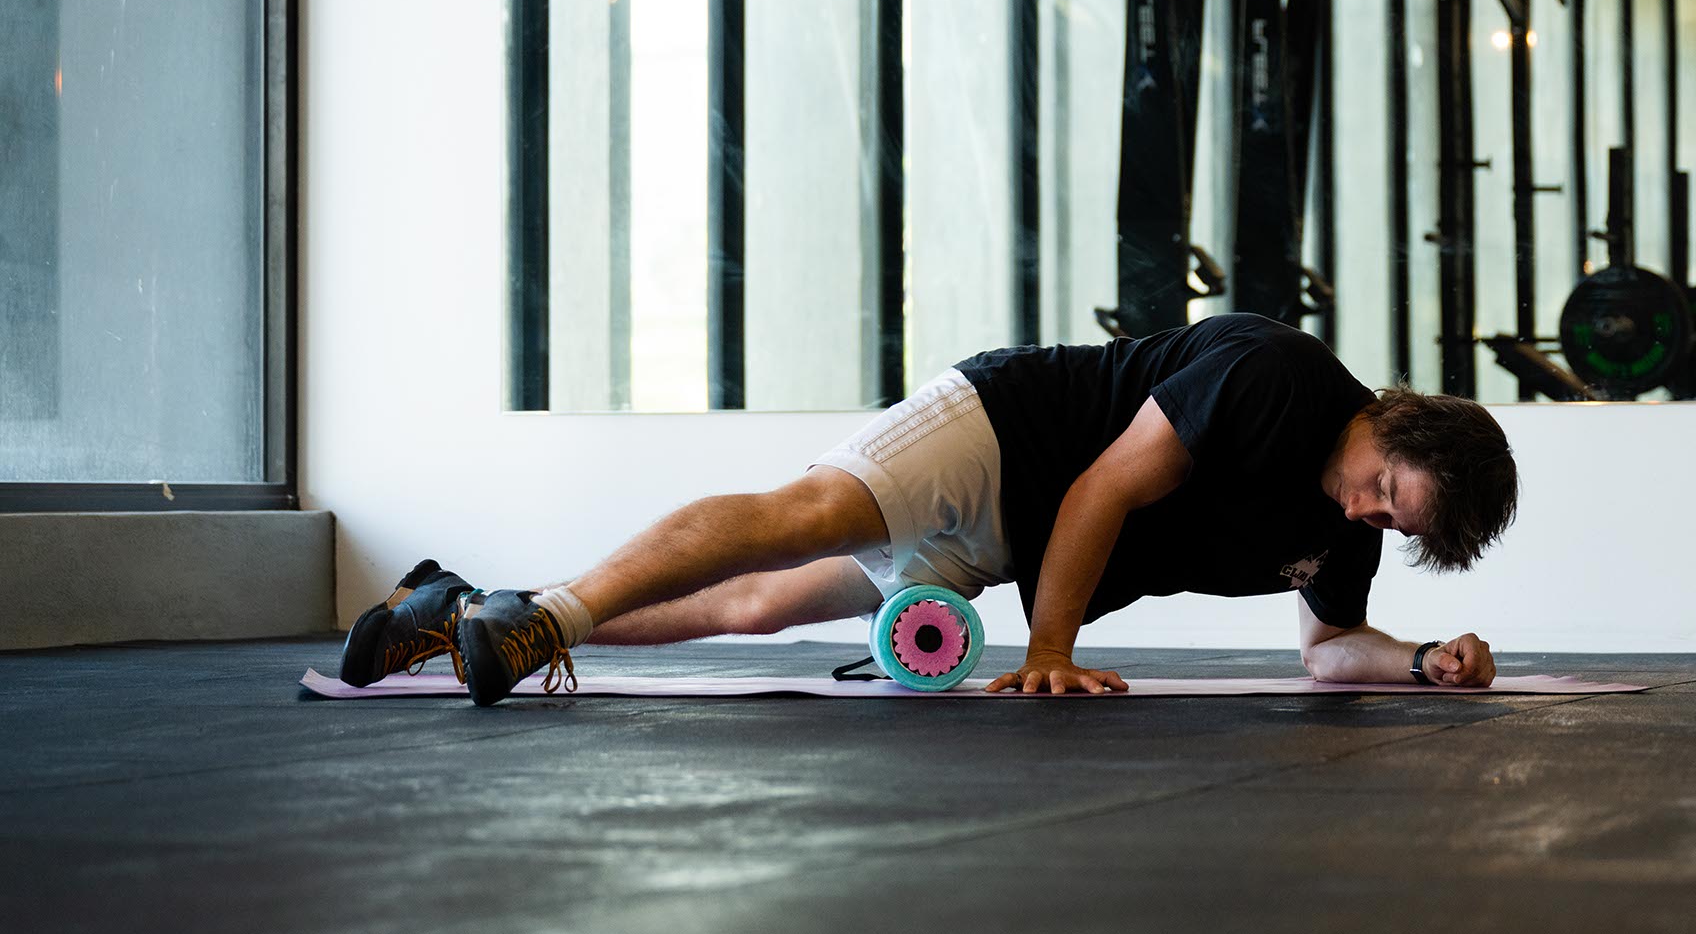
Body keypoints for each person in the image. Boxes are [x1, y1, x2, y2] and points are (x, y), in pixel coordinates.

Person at [339, 313, 1518, 706]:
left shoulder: (1330, 530)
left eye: (1396, 528)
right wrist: (1052, 649)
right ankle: (544, 615)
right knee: (797, 515)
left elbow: (1325, 654)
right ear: (1402, 426)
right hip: (1001, 435)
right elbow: (1107, 483)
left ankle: (458, 617)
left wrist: (1419, 659)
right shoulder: (1278, 375)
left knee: (752, 609)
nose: (1375, 517)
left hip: (997, 543)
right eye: (1393, 492)